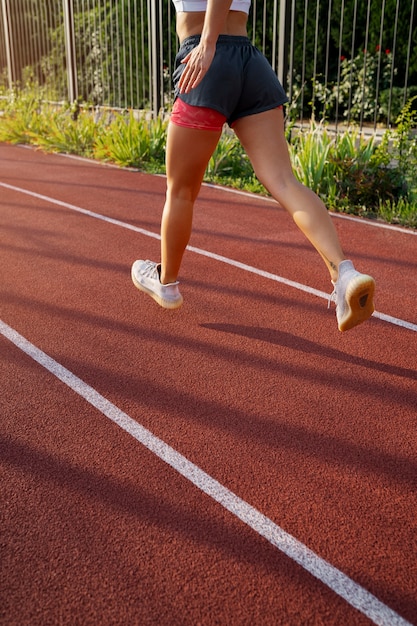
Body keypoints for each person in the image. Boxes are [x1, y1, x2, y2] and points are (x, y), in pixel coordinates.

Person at [131, 0, 375, 332]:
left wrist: (207, 43)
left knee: (181, 190)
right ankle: (344, 273)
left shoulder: (207, 45)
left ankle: (167, 282)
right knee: (284, 181)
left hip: (205, 61)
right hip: (250, 64)